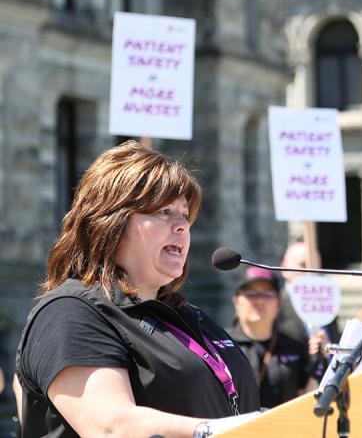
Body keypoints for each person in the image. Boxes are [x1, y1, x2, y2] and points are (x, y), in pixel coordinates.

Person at [14, 141, 259, 437]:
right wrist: (224, 431)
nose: (182, 225)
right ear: (111, 223)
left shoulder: (191, 317)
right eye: (164, 211)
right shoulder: (70, 312)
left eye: (185, 214)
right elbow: (111, 427)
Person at [227, 266, 311, 409]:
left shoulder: (295, 347)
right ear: (236, 302)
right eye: (251, 294)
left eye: (267, 294)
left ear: (279, 304)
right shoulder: (218, 345)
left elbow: (306, 396)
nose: (259, 301)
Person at [275, 241, 341, 381]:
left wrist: (327, 350)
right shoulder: (275, 305)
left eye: (315, 266)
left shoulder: (326, 306)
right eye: (303, 265)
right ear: (284, 268)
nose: (310, 273)